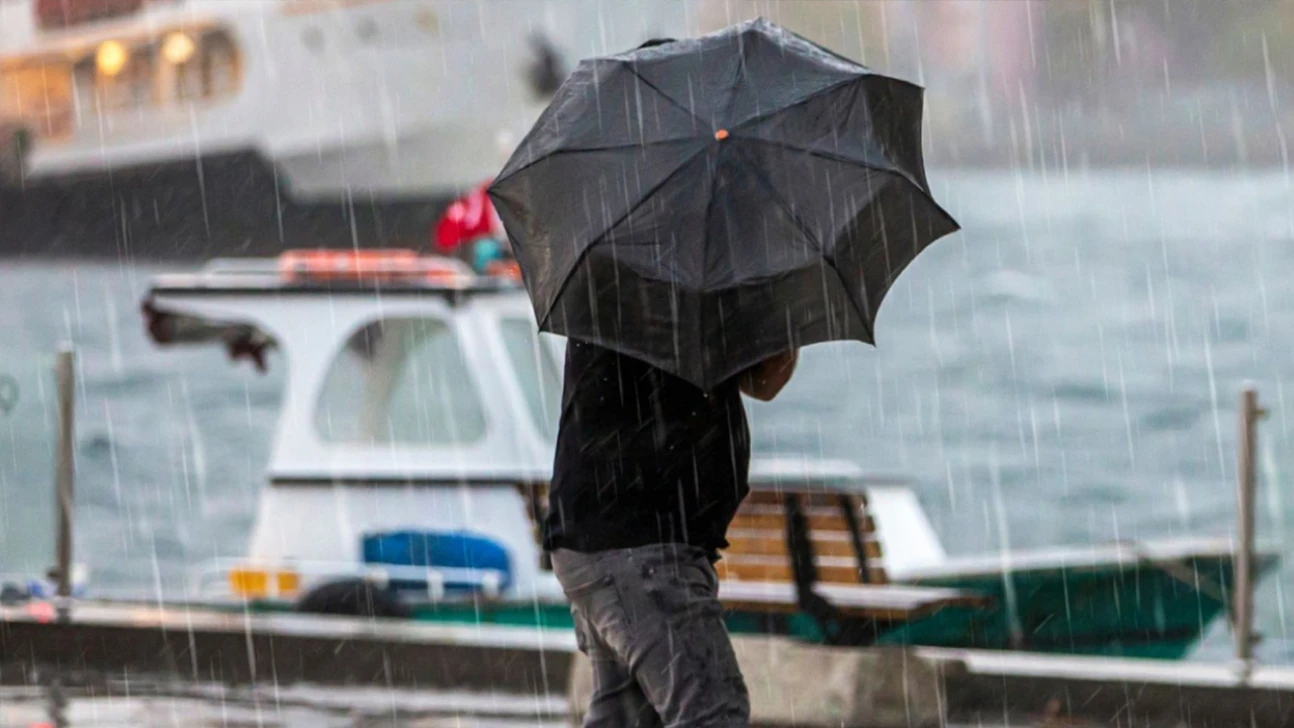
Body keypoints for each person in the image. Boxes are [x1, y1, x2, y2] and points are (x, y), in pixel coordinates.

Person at [547, 342, 796, 728]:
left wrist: (780, 318)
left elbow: (762, 380)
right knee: (712, 712)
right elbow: (757, 376)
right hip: (639, 545)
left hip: (607, 538)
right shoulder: (670, 295)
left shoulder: (647, 295)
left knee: (629, 716)